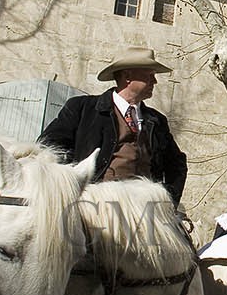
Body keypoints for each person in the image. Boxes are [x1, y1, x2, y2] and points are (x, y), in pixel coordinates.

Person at [38, 46, 186, 203]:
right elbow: (47, 147)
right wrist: (71, 187)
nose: (155, 81)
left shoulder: (157, 121)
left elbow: (176, 164)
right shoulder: (83, 109)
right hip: (93, 205)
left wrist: (168, 201)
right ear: (127, 76)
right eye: (149, 75)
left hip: (144, 207)